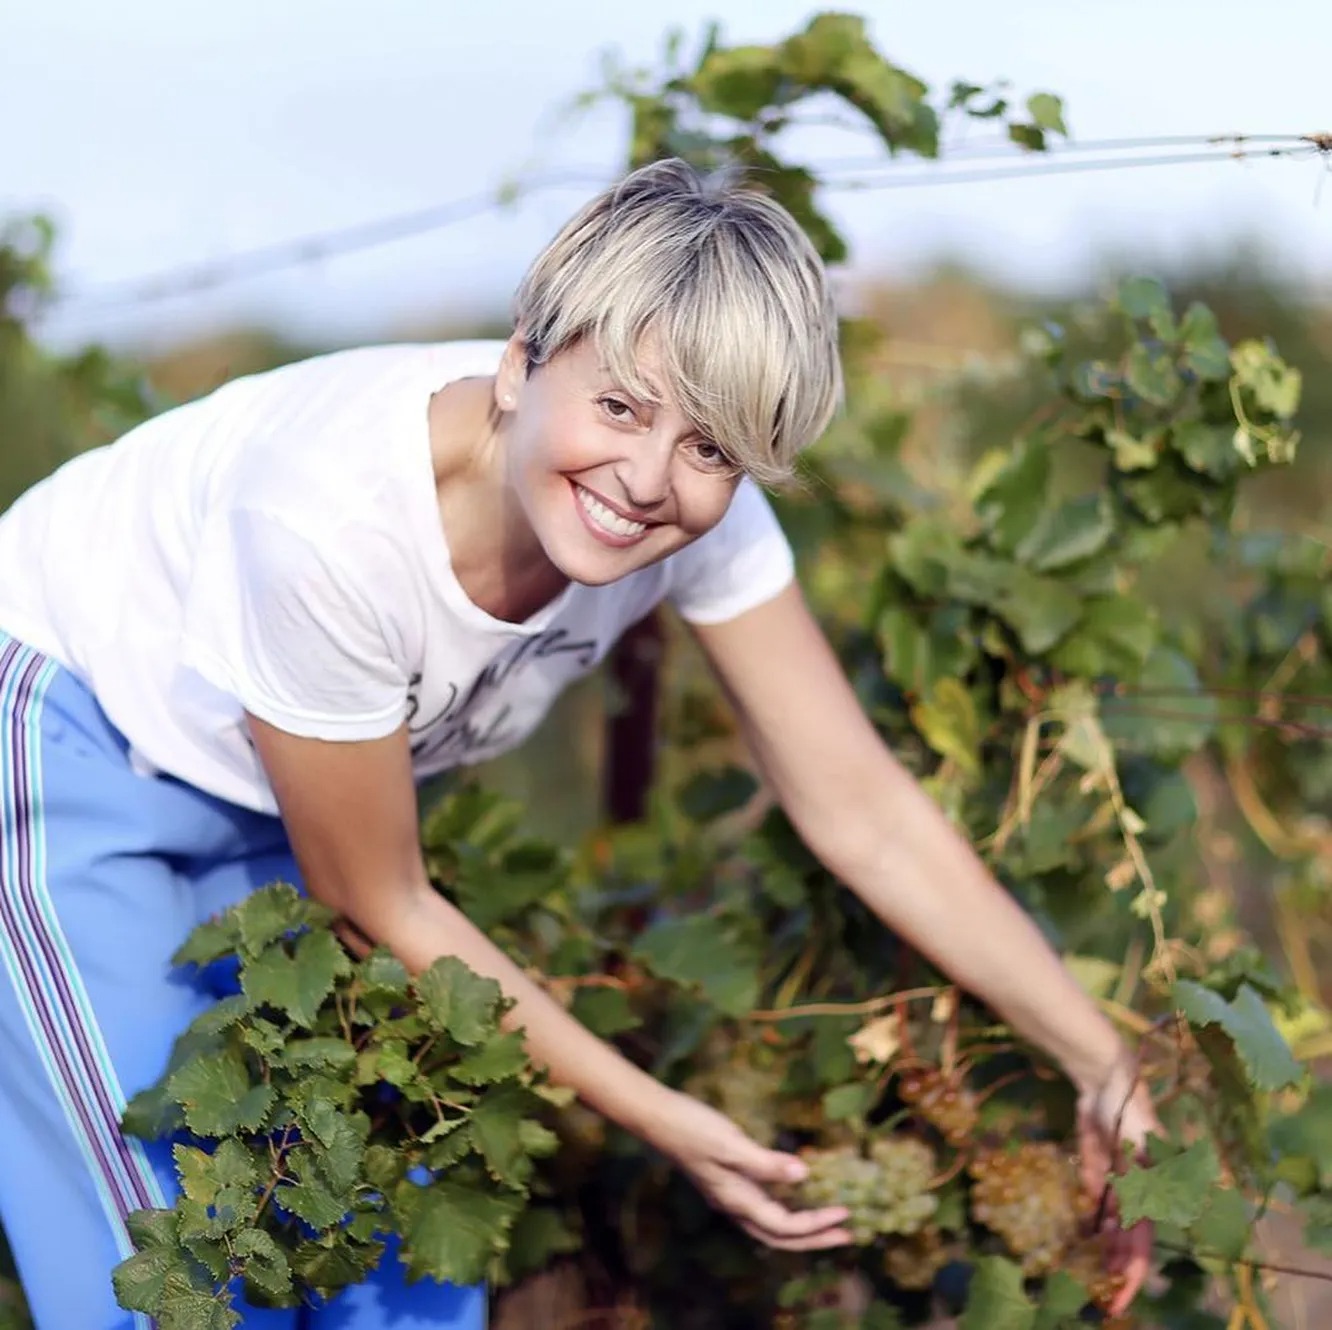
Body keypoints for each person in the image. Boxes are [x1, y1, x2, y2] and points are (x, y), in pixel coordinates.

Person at [0, 158, 1157, 1329]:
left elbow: (858, 805)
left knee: (390, 1257)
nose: (648, 480)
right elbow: (383, 903)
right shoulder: (330, 527)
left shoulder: (698, 514)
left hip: (286, 786)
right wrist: (665, 1119)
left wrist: (1097, 1058)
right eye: (620, 407)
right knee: (166, 1264)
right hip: (73, 736)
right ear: (520, 364)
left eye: (711, 448)